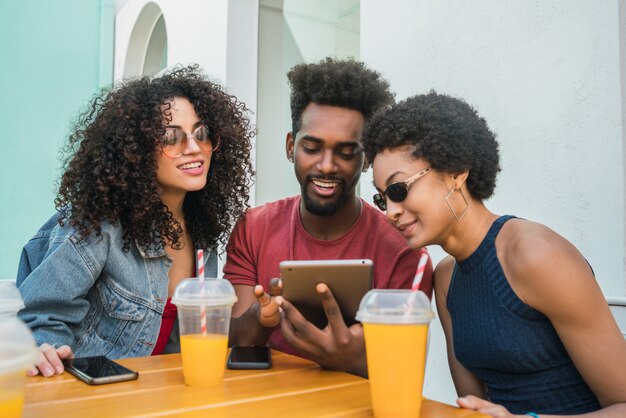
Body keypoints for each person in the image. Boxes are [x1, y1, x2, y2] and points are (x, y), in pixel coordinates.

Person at [363, 91, 626, 417]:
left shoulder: (535, 254)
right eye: (381, 199)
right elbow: (474, 407)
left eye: (398, 190)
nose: (390, 212)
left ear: (457, 172)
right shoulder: (446, 280)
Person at [16, 65, 254, 377]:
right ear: (137, 150)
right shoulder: (97, 226)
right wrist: (44, 350)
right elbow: (39, 318)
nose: (194, 148)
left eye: (202, 133)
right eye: (171, 137)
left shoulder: (202, 237)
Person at [224, 57, 433, 378]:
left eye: (346, 152)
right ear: (291, 147)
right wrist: (260, 315)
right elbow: (235, 345)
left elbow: (403, 373)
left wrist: (347, 358)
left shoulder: (404, 250)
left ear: (366, 160)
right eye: (312, 147)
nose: (326, 166)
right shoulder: (252, 228)